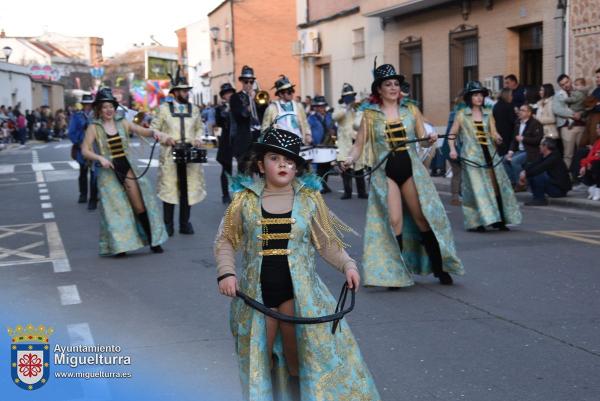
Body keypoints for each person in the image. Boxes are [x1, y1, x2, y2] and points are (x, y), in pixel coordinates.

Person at [214, 128, 380, 400]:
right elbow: (225, 241)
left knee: (298, 360)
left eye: (289, 161)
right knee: (259, 361)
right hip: (255, 295)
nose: (283, 164)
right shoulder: (243, 200)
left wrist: (348, 265)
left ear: (297, 168)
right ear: (260, 164)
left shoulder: (309, 199)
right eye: (274, 158)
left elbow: (326, 242)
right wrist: (226, 273)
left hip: (298, 295)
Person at [343, 62, 463, 287]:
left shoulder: (411, 110)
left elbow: (423, 137)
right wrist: (350, 159)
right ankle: (396, 273)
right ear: (379, 89)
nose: (393, 88)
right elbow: (359, 144)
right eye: (387, 84)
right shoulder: (370, 116)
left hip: (410, 170)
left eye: (396, 84)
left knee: (422, 218)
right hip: (385, 173)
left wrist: (430, 138)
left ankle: (439, 269)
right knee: (394, 220)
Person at [81, 88, 171, 256]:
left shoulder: (122, 122)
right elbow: (84, 150)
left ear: (115, 108)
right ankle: (120, 246)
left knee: (139, 205)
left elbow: (142, 131)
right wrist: (100, 158)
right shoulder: (94, 127)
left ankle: (153, 242)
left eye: (111, 106)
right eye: (104, 106)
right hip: (108, 171)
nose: (108, 110)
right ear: (99, 109)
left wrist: (155, 132)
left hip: (126, 166)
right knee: (116, 209)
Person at [448, 81, 522, 232]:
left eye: (481, 94)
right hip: (472, 157)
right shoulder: (461, 115)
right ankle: (477, 222)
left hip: (490, 155)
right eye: (475, 95)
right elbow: (452, 134)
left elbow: (493, 132)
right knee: (476, 188)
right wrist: (452, 149)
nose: (479, 97)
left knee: (497, 187)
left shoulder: (488, 113)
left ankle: (498, 220)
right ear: (469, 97)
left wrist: (498, 137)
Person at [150, 67, 207, 236]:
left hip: (189, 154)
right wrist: (165, 138)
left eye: (186, 90)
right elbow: (154, 129)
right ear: (174, 92)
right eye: (182, 90)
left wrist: (198, 138)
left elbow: (199, 127)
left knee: (187, 188)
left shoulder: (194, 109)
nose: (186, 93)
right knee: (169, 189)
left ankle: (184, 223)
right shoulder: (164, 109)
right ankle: (168, 225)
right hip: (170, 153)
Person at [332, 83, 367, 199]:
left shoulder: (357, 108)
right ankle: (347, 192)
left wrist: (360, 109)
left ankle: (362, 192)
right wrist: (347, 108)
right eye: (348, 96)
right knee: (346, 170)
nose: (350, 99)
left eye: (351, 96)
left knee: (359, 169)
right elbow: (335, 117)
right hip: (345, 143)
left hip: (356, 140)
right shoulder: (340, 108)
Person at [230, 65, 262, 173]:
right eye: (246, 82)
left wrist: (258, 100)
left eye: (251, 82)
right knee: (245, 174)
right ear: (242, 82)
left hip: (258, 139)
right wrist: (250, 101)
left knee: (263, 173)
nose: (249, 84)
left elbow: (265, 113)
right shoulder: (235, 97)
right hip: (244, 141)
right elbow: (240, 116)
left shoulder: (258, 96)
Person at [261, 75, 312, 144]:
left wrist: (308, 134)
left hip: (298, 141)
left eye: (292, 91)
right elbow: (264, 128)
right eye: (289, 92)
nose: (292, 93)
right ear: (280, 94)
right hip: (280, 144)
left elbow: (305, 123)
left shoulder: (299, 106)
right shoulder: (271, 108)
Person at [68, 94, 98, 210]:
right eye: (86, 104)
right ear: (83, 104)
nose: (88, 106)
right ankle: (83, 194)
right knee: (83, 172)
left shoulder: (96, 116)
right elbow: (71, 132)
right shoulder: (77, 116)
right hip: (82, 148)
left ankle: (94, 197)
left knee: (95, 174)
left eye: (90, 103)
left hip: (95, 148)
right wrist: (79, 143)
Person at [521, 138, 571, 205]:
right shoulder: (543, 156)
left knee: (539, 174)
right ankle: (536, 196)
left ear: (545, 146)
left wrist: (525, 174)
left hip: (559, 190)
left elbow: (540, 168)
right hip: (552, 185)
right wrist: (524, 171)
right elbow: (533, 165)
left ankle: (540, 199)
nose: (539, 146)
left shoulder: (554, 157)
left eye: (541, 145)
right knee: (532, 171)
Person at [505, 104, 543, 188]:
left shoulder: (535, 124)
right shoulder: (518, 122)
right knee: (504, 159)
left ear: (529, 113)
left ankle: (521, 184)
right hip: (519, 151)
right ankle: (513, 182)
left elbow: (538, 140)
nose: (520, 112)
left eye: (523, 110)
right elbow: (514, 140)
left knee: (514, 161)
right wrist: (510, 151)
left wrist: (524, 139)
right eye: (520, 110)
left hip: (530, 151)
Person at [553, 74, 585, 171]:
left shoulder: (580, 91)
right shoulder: (559, 95)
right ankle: (566, 177)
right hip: (567, 128)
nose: (566, 85)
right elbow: (557, 110)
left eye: (566, 82)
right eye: (562, 84)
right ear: (560, 86)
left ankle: (580, 177)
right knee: (568, 154)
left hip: (581, 126)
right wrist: (573, 114)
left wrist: (581, 114)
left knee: (582, 152)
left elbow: (586, 107)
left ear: (570, 80)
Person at [307, 95, 335, 194]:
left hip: (328, 145)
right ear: (315, 107)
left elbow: (335, 128)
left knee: (327, 166)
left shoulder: (329, 116)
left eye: (322, 106)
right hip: (317, 145)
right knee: (319, 168)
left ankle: (325, 185)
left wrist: (334, 131)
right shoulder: (311, 118)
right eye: (318, 106)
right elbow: (308, 129)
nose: (321, 108)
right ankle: (319, 186)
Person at [215, 83, 236, 204]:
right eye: (227, 93)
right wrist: (227, 111)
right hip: (226, 141)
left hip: (238, 140)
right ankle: (225, 194)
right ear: (223, 96)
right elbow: (219, 122)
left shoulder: (238, 106)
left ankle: (241, 193)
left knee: (244, 168)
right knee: (226, 169)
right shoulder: (219, 108)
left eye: (231, 93)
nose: (229, 95)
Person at [492, 88, 516, 156]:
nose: (512, 97)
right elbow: (513, 120)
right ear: (507, 95)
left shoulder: (496, 105)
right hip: (508, 133)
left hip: (498, 132)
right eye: (511, 95)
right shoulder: (509, 106)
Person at [579, 123, 600, 201]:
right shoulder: (597, 141)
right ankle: (593, 186)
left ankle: (598, 188)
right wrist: (584, 164)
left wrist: (588, 162)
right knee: (582, 162)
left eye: (598, 128)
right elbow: (591, 155)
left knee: (596, 164)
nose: (596, 130)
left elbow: (598, 156)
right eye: (597, 128)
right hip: (594, 161)